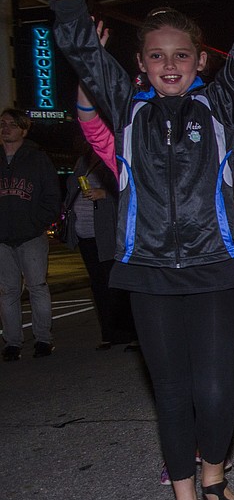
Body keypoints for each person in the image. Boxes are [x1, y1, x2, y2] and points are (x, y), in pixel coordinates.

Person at [11, 0, 234, 500]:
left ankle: (214, 478)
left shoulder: (220, 104)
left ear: (199, 60)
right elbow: (80, 47)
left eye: (180, 54)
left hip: (212, 265)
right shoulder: (126, 110)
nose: (169, 64)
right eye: (156, 55)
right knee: (171, 393)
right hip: (147, 270)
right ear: (140, 64)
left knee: (216, 390)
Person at [62, 140, 138, 351]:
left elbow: (131, 189)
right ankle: (110, 333)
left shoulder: (116, 156)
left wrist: (104, 194)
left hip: (109, 233)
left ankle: (131, 334)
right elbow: (72, 188)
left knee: (118, 284)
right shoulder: (83, 161)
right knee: (99, 285)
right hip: (86, 233)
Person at [0, 108, 61, 361]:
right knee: (8, 291)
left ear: (23, 130)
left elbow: (52, 195)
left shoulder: (37, 159)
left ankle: (43, 339)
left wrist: (38, 222)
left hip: (31, 235)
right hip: (2, 239)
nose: (6, 128)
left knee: (37, 287)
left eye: (12, 124)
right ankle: (12, 343)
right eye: (3, 123)